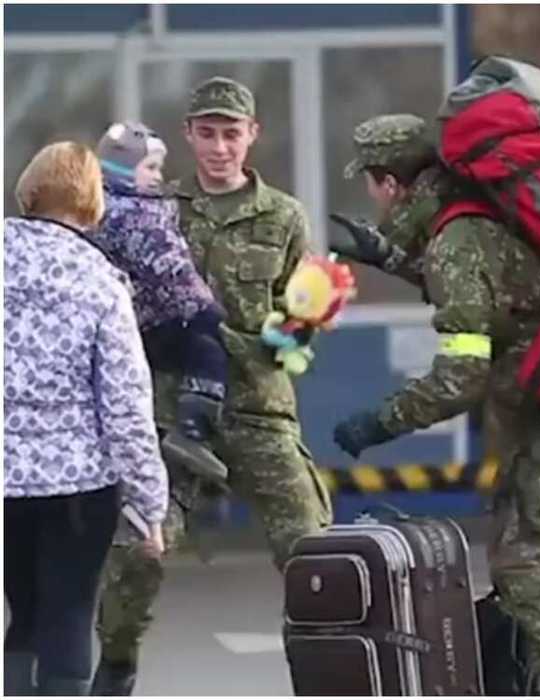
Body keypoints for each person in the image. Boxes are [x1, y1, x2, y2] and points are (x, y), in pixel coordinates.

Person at [92, 77, 332, 695]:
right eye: (207, 133)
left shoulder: (284, 217)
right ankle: (115, 668)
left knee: (313, 553)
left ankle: (328, 675)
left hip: (260, 413)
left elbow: (305, 313)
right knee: (136, 551)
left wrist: (292, 335)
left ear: (252, 135)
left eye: (232, 133)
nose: (220, 147)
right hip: (170, 418)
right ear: (188, 137)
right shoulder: (152, 206)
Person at [330, 114, 540, 694]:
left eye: (371, 184)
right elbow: (487, 288)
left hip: (537, 416)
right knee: (520, 557)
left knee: (524, 564)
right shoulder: (463, 223)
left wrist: (382, 421)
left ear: (389, 183)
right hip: (535, 409)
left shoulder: (454, 240)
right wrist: (389, 256)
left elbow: (462, 373)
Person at [5, 142, 168, 696]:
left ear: (30, 191)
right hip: (78, 487)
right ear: (92, 202)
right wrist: (149, 505)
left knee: (22, 611)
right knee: (69, 611)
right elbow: (125, 407)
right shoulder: (101, 283)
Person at [92, 120, 230, 487]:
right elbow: (171, 272)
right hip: (153, 321)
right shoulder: (139, 215)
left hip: (122, 329)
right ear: (121, 170)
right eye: (150, 167)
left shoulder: (97, 209)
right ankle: (192, 433)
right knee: (209, 351)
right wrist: (207, 312)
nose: (158, 176)